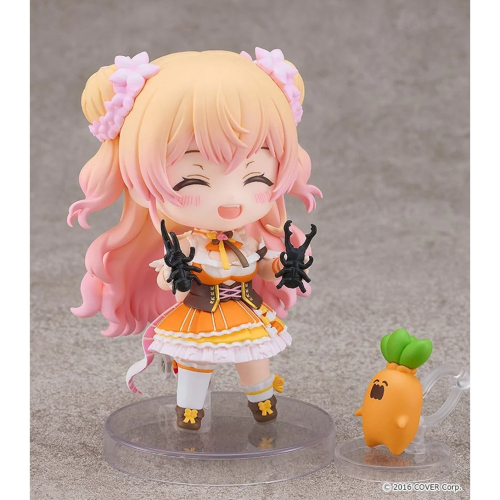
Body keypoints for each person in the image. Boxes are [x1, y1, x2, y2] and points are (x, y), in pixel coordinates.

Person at [68, 49, 321, 430]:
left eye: (257, 177)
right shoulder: (187, 246)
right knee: (195, 360)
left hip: (244, 310)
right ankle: (189, 409)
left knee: (253, 354)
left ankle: (262, 399)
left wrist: (282, 266)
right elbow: (167, 279)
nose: (231, 199)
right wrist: (176, 275)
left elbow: (263, 266)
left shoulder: (245, 241)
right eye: (193, 180)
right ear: (137, 183)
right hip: (199, 313)